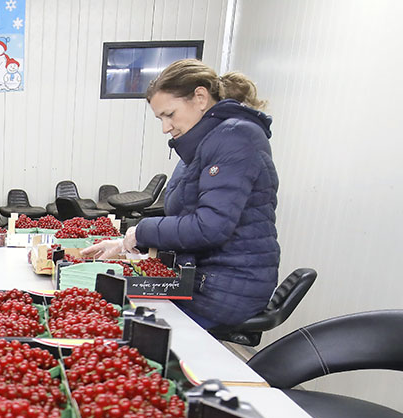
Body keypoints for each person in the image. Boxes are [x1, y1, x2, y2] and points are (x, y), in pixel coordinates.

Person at [82, 59, 279, 329]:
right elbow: (185, 217)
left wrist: (141, 231)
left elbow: (210, 226)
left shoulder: (236, 138)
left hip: (225, 289)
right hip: (200, 280)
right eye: (160, 118)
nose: (165, 127)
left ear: (200, 97)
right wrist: (123, 245)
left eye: (170, 114)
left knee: (126, 332)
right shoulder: (203, 143)